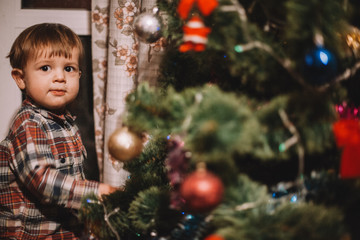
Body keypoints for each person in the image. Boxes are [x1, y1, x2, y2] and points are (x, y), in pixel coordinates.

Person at [0, 23, 118, 239]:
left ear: (80, 75)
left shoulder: (66, 122)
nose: (60, 77)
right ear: (20, 78)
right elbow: (42, 180)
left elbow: (72, 181)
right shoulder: (28, 122)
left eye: (69, 68)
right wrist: (96, 192)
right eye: (46, 68)